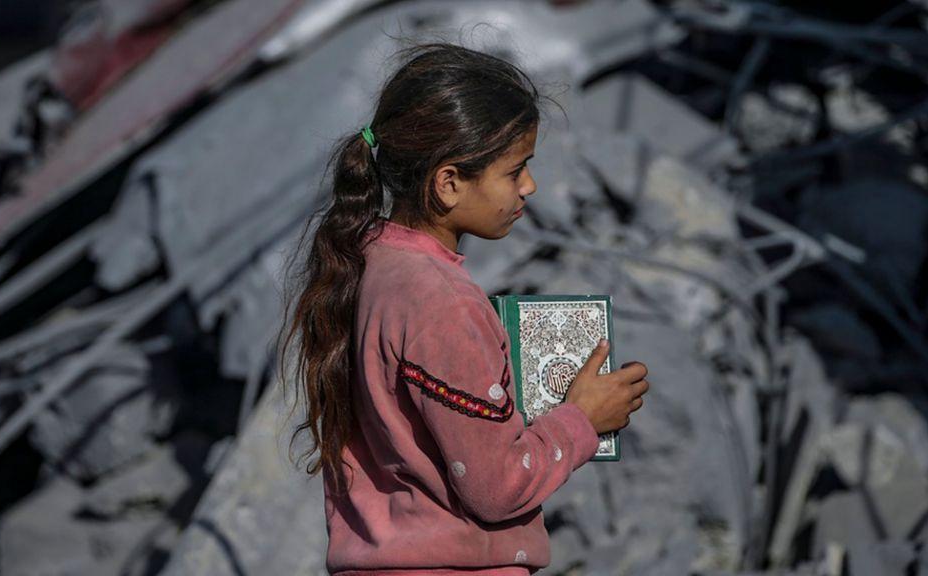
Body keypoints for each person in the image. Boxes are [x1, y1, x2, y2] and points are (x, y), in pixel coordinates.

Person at [277, 42, 650, 576]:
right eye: (514, 171)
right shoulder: (443, 303)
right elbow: (497, 488)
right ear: (449, 183)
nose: (529, 187)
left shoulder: (370, 263)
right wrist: (583, 419)